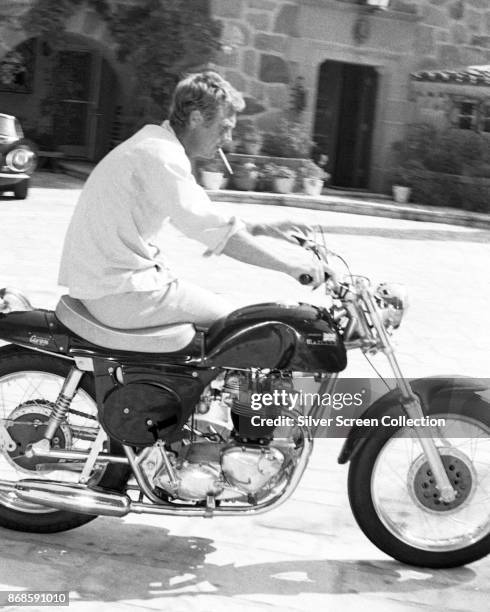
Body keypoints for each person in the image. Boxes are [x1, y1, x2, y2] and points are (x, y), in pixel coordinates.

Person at [58, 71, 332, 329]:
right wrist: (290, 266)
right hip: (120, 290)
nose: (228, 139)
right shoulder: (162, 156)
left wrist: (265, 229)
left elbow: (207, 219)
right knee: (238, 330)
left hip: (112, 284)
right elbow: (214, 231)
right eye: (224, 128)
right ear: (197, 118)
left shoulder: (157, 144)